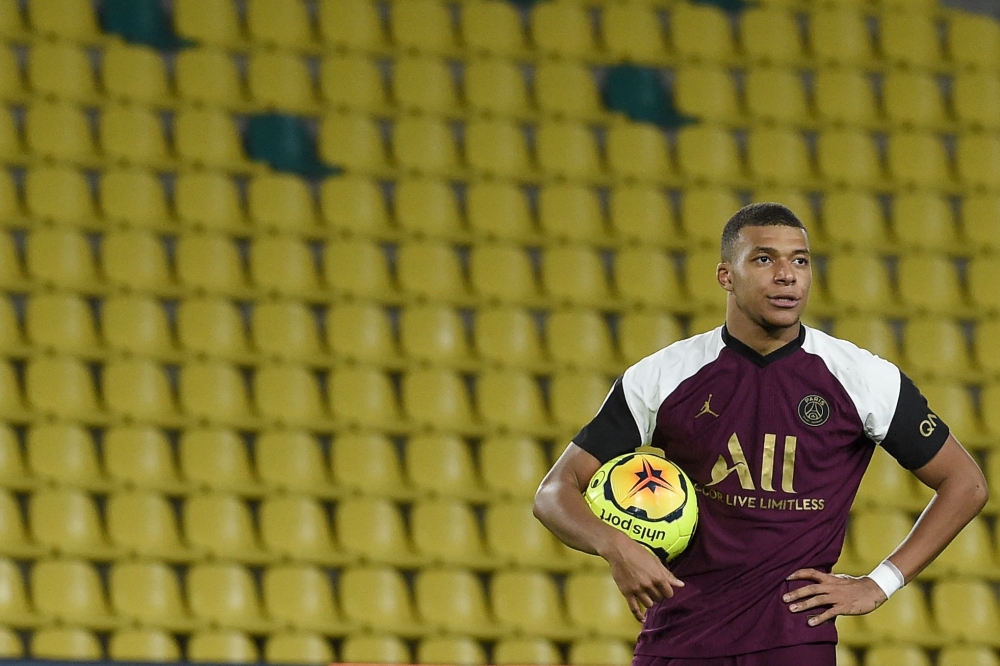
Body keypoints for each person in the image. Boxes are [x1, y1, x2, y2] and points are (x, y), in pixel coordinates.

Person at [533, 203, 989, 666]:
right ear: (725, 276)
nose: (787, 275)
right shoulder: (664, 375)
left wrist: (881, 582)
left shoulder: (863, 377)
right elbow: (553, 492)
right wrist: (616, 546)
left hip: (793, 643)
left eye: (801, 260)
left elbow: (966, 483)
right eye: (765, 259)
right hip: (677, 638)